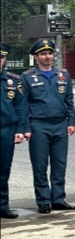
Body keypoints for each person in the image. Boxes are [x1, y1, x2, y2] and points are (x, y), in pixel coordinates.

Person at [20, 39, 75, 214]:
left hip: (60, 124)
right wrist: (27, 127)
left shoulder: (63, 75)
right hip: (39, 125)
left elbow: (69, 100)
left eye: (50, 53)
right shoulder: (27, 77)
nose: (47, 56)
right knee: (40, 165)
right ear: (36, 57)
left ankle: (58, 198)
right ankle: (44, 200)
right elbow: (23, 105)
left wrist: (71, 122)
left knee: (60, 164)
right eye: (43, 54)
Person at [1, 42, 30, 218]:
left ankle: (2, 205)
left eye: (2, 57)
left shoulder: (13, 81)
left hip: (6, 130)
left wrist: (20, 129)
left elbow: (21, 107)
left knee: (3, 170)